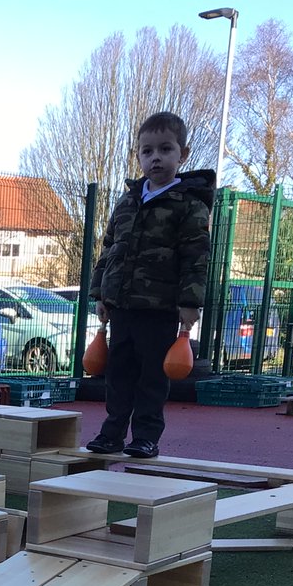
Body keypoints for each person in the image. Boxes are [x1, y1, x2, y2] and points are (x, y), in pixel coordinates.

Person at [86, 112, 215, 459]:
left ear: (182, 154)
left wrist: (190, 303)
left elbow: (196, 256)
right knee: (118, 373)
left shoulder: (188, 205)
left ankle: (145, 436)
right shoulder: (128, 201)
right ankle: (111, 433)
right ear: (139, 155)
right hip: (123, 307)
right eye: (147, 151)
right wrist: (101, 293)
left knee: (153, 376)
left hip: (159, 309)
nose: (155, 157)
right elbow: (109, 248)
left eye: (165, 149)